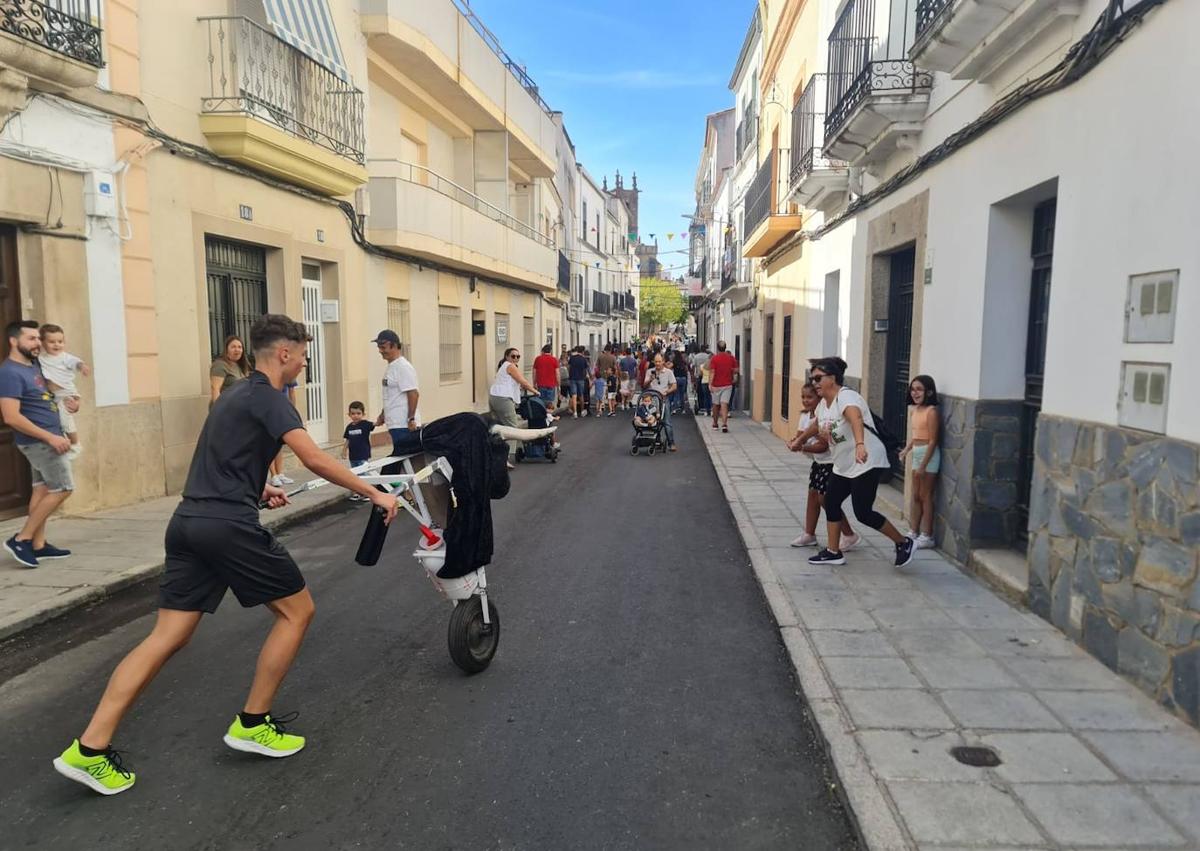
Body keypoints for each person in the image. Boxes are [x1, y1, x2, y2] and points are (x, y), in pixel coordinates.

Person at [54, 314, 400, 795]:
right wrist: (375, 492)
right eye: (303, 354)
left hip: (189, 522)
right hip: (227, 527)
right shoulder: (271, 398)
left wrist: (257, 487)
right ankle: (253, 723)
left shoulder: (233, 394)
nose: (304, 362)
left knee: (167, 636)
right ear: (284, 353)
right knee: (297, 612)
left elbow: (219, 457)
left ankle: (89, 749)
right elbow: (315, 457)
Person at [796, 357, 915, 568]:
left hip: (865, 461)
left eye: (818, 378)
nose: (814, 382)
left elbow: (856, 418)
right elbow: (816, 424)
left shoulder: (846, 397)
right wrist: (800, 440)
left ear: (832, 378)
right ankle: (833, 552)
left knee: (863, 512)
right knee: (830, 501)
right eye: (812, 378)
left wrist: (860, 444)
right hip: (844, 464)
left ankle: (903, 543)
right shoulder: (824, 403)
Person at [1, 320, 76, 568]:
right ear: (14, 341)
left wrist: (70, 402)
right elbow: (11, 417)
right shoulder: (9, 373)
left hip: (49, 438)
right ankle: (21, 539)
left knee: (42, 490)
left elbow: (48, 395)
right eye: (31, 339)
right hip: (41, 442)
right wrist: (50, 437)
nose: (38, 343)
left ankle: (38, 544)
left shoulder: (34, 365)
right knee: (63, 488)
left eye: (38, 338)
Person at [787, 382, 860, 551]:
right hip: (818, 462)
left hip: (831, 462)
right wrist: (795, 442)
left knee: (825, 499)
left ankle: (849, 534)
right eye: (803, 397)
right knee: (812, 497)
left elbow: (823, 446)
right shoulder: (805, 416)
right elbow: (800, 436)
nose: (806, 400)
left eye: (810, 397)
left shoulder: (825, 417)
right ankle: (809, 534)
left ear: (819, 398)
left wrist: (801, 447)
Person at [899, 375, 941, 549]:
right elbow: (916, 435)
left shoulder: (931, 412)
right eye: (913, 389)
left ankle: (927, 535)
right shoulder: (914, 410)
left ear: (929, 392)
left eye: (919, 389)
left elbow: (933, 440)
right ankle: (913, 531)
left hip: (928, 456)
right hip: (917, 452)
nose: (915, 393)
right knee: (916, 495)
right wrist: (906, 450)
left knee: (926, 496)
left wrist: (923, 465)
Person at [37, 323, 90, 459]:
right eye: (52, 342)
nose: (57, 345)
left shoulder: (65, 357)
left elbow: (76, 362)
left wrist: (82, 366)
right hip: (53, 395)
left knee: (65, 419)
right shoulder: (40, 359)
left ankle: (75, 444)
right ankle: (65, 443)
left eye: (60, 341)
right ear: (42, 342)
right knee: (59, 420)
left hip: (66, 393)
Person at [372, 330, 420, 459]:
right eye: (379, 347)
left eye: (383, 347)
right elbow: (392, 396)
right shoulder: (391, 367)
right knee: (402, 460)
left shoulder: (403, 367)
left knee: (407, 460)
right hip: (395, 424)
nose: (380, 351)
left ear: (394, 345)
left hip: (403, 425)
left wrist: (411, 419)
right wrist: (383, 415)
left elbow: (413, 393)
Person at [490, 347, 540, 468]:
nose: (516, 358)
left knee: (499, 428)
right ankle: (504, 459)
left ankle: (494, 456)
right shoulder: (510, 366)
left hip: (495, 397)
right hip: (503, 399)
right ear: (507, 357)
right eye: (513, 356)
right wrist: (535, 391)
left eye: (518, 356)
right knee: (512, 427)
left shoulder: (503, 367)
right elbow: (523, 381)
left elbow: (514, 382)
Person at [642, 353, 677, 452]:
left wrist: (667, 391)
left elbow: (674, 386)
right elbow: (644, 385)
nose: (657, 363)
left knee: (666, 422)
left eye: (659, 361)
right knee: (653, 420)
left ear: (663, 361)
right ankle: (655, 440)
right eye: (656, 361)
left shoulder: (668, 372)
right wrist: (650, 379)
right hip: (651, 400)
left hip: (664, 399)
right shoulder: (649, 372)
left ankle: (671, 443)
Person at [341, 401, 375, 501]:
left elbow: (375, 424)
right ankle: (358, 493)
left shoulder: (365, 424)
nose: (355, 416)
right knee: (355, 475)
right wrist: (344, 451)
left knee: (364, 474)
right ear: (349, 414)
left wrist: (382, 419)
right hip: (353, 456)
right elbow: (348, 440)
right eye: (353, 413)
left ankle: (368, 493)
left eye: (358, 413)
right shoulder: (349, 427)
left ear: (363, 414)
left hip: (363, 455)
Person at [269, 380, 298, 488]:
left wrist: (292, 412)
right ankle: (273, 475)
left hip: (282, 411)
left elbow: (292, 392)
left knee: (279, 444)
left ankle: (280, 473)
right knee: (269, 443)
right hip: (269, 410)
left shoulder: (288, 374)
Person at [209, 335, 249, 405]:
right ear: (226, 350)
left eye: (239, 347)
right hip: (225, 408)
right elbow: (215, 389)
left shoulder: (240, 366)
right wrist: (219, 409)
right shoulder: (220, 365)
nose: (237, 349)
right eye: (233, 347)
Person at [708, 340, 739, 432]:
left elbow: (712, 372)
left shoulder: (714, 358)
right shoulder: (731, 358)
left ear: (717, 348)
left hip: (716, 385)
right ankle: (724, 424)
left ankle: (715, 423)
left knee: (716, 405)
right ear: (725, 348)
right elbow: (736, 370)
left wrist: (710, 384)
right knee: (724, 404)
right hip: (727, 385)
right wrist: (730, 370)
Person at [533, 344, 560, 411]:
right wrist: (558, 385)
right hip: (551, 384)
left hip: (541, 384)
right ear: (551, 351)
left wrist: (534, 383)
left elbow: (534, 372)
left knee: (541, 402)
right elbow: (557, 374)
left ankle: (543, 414)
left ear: (542, 351)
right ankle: (549, 414)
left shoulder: (538, 359)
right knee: (550, 402)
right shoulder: (554, 360)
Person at [567, 346, 589, 418]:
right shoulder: (583, 359)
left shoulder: (572, 358)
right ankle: (582, 411)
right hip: (581, 378)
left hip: (572, 378)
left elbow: (568, 367)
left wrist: (570, 374)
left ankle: (575, 412)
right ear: (583, 352)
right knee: (581, 395)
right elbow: (585, 369)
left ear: (577, 351)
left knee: (574, 395)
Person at [691, 344, 712, 417]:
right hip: (708, 375)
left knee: (699, 392)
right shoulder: (708, 356)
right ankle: (707, 407)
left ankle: (701, 405)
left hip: (698, 375)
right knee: (707, 394)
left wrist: (693, 376)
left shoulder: (696, 356)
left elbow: (693, 366)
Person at [671, 351, 690, 415]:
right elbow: (686, 370)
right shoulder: (683, 362)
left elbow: (669, 367)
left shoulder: (674, 362)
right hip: (683, 378)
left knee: (676, 394)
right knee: (682, 394)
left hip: (676, 378)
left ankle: (674, 409)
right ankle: (683, 409)